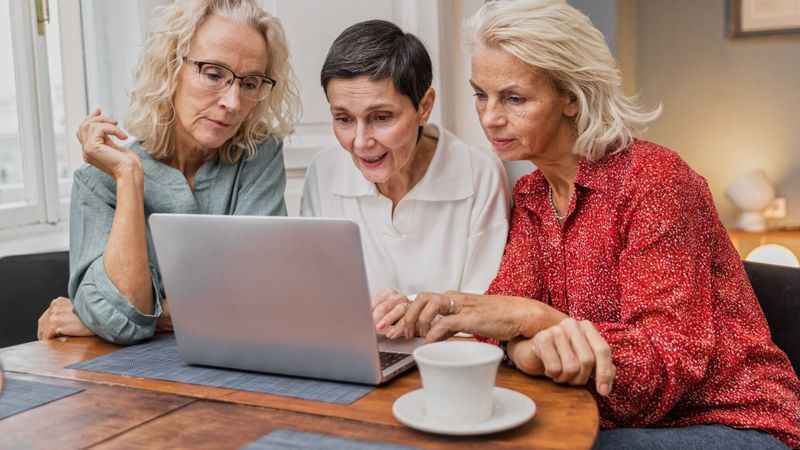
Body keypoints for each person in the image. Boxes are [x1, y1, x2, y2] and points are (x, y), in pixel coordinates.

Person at [380, 1, 800, 448]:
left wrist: (535, 320)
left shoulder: (655, 183)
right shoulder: (533, 194)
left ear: (572, 98)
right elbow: (497, 329)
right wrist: (523, 343)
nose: (489, 118)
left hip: (733, 419)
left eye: (515, 99)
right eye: (481, 95)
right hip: (607, 417)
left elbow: (661, 368)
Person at [37, 0, 301, 345]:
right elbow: (121, 325)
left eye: (250, 83)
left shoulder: (258, 154)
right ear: (170, 67)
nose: (233, 102)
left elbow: (261, 299)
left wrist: (137, 316)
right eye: (213, 74)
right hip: (123, 373)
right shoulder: (100, 179)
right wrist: (128, 178)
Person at [301, 20, 510, 317]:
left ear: (424, 107)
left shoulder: (480, 174)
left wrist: (411, 312)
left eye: (381, 117)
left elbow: (485, 306)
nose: (360, 142)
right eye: (344, 119)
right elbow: (316, 296)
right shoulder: (324, 171)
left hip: (450, 345)